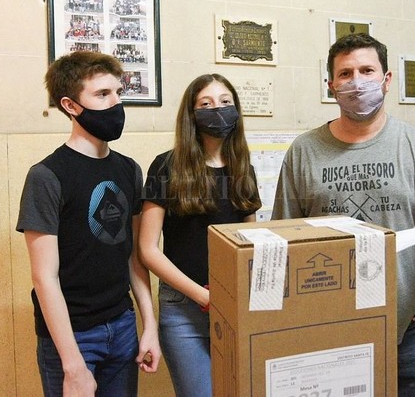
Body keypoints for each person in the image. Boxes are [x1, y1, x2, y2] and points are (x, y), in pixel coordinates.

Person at [271, 33, 415, 396]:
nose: (357, 81)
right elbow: (283, 242)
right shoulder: (303, 151)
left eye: (367, 70)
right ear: (331, 85)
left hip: (405, 327)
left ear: (386, 79)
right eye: (345, 74)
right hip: (327, 326)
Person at [16, 50, 160, 397]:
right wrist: (73, 365)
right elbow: (44, 277)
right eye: (102, 94)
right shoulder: (46, 176)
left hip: (122, 326)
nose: (116, 103)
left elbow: (133, 257)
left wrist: (149, 326)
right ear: (70, 105)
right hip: (72, 336)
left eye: (118, 92)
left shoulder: (129, 169)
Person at [139, 74, 261, 397]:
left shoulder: (243, 168)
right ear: (191, 115)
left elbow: (251, 242)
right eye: (206, 104)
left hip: (236, 304)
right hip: (183, 310)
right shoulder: (166, 166)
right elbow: (147, 249)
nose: (217, 109)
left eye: (225, 102)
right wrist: (202, 296)